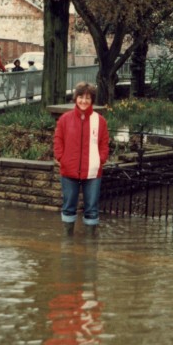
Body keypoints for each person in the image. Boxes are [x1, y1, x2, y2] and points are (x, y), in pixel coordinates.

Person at [53, 82, 109, 236]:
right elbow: (58, 140)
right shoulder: (65, 119)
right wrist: (61, 157)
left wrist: (101, 159)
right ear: (75, 98)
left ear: (92, 100)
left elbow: (104, 144)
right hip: (69, 170)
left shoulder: (100, 121)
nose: (84, 101)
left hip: (92, 171)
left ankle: (90, 245)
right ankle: (67, 241)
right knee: (69, 206)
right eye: (81, 97)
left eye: (88, 98)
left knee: (91, 208)